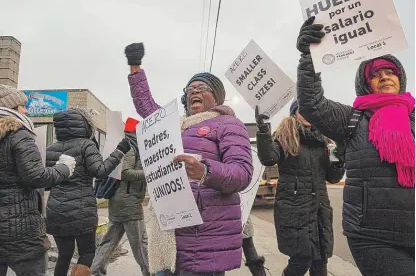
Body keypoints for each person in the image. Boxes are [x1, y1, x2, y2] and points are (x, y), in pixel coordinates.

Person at [295, 16, 415, 276]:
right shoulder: (352, 118)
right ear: (365, 82)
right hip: (373, 236)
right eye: (375, 74)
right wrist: (309, 57)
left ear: (400, 77)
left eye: (390, 71)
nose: (384, 77)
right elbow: (311, 103)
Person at [125, 42, 253, 276]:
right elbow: (147, 109)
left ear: (216, 97)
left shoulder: (228, 124)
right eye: (189, 89)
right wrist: (135, 68)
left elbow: (242, 173)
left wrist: (205, 171)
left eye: (201, 87)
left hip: (204, 237)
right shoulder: (176, 126)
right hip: (171, 233)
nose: (193, 91)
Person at [255, 100, 345, 276]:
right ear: (294, 113)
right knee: (300, 261)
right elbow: (268, 158)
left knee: (320, 262)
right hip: (295, 211)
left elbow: (333, 178)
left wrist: (339, 160)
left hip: (320, 210)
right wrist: (263, 130)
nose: (306, 113)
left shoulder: (324, 141)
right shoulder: (285, 137)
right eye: (302, 110)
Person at [0, 85, 76, 276]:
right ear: (10, 109)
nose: (26, 111)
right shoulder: (19, 134)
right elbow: (35, 177)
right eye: (22, 106)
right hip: (21, 232)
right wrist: (64, 169)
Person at [45, 107, 131, 276]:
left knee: (64, 255)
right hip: (82, 210)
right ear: (85, 125)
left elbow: (45, 181)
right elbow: (100, 170)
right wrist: (119, 151)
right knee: (87, 253)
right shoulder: (86, 145)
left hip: (56, 210)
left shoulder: (50, 149)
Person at [91, 117, 150, 276]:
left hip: (119, 200)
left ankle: (95, 271)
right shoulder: (131, 147)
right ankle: (150, 272)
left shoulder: (126, 144)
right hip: (129, 201)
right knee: (140, 243)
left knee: (109, 241)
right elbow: (125, 173)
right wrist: (148, 174)